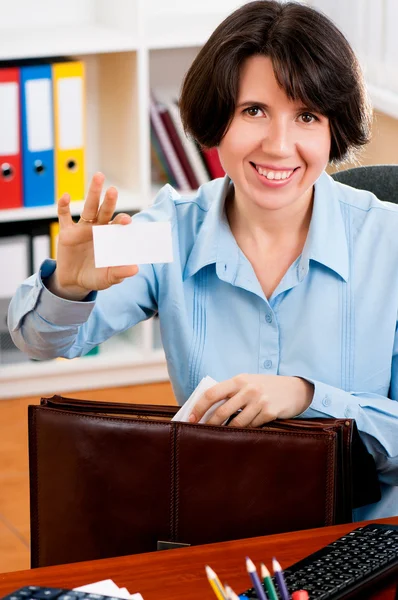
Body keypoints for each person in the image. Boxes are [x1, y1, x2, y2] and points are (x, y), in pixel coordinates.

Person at [8, 1, 398, 521]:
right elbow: (39, 340)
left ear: (334, 129)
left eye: (307, 116)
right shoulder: (167, 229)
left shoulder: (388, 242)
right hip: (217, 523)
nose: (279, 146)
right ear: (218, 119)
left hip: (359, 538)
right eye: (253, 111)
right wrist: (70, 289)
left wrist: (308, 397)